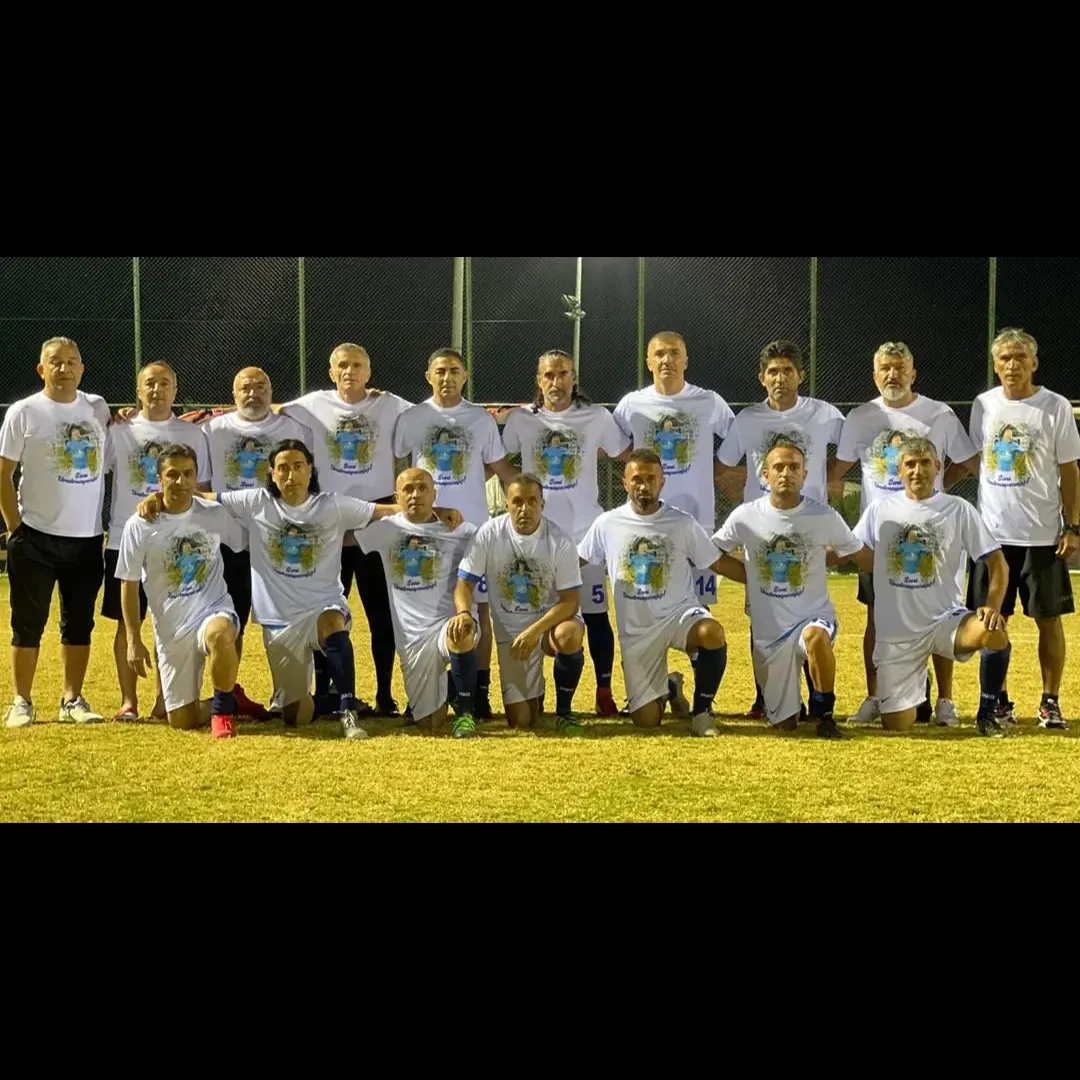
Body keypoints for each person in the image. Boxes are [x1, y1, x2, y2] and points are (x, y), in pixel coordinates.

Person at [138, 440, 463, 738]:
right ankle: (319, 701)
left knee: (333, 621)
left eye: (298, 466)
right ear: (272, 473)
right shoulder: (255, 502)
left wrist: (438, 510)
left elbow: (387, 510)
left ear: (310, 470)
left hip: (322, 607)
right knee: (296, 715)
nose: (291, 474)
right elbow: (202, 496)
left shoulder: (332, 505)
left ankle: (348, 713)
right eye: (283, 468)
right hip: (279, 623)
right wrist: (158, 498)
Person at [827, 341, 980, 727]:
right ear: (874, 376)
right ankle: (876, 696)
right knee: (876, 617)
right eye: (885, 368)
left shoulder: (939, 415)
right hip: (880, 538)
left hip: (934, 535)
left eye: (899, 368)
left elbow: (967, 462)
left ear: (913, 373)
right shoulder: (861, 417)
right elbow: (835, 472)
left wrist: (939, 491)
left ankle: (945, 700)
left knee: (943, 613)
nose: (892, 375)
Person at [844, 436, 1010, 736]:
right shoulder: (880, 509)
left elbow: (997, 563)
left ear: (938, 467)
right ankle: (918, 686)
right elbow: (854, 551)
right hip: (898, 635)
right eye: (909, 464)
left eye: (924, 463)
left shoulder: (958, 509)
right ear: (898, 470)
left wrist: (993, 606)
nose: (917, 471)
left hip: (945, 622)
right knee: (897, 724)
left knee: (993, 630)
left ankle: (987, 714)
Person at [282, 344, 413, 717]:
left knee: (380, 613)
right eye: (342, 365)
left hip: (377, 518)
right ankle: (325, 692)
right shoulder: (313, 404)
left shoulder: (390, 404)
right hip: (330, 521)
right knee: (324, 609)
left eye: (357, 365)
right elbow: (272, 411)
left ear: (369, 373)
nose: (350, 371)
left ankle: (385, 693)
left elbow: (429, 414)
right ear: (331, 371)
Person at [501, 348, 629, 716]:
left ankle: (604, 690)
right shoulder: (522, 421)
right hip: (536, 539)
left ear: (574, 379)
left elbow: (626, 455)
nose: (555, 381)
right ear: (538, 381)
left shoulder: (596, 417)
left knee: (595, 614)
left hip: (585, 536)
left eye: (562, 374)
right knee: (532, 613)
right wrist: (517, 487)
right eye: (548, 375)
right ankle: (533, 691)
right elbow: (496, 460)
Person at [392, 347, 519, 719]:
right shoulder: (412, 418)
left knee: (478, 610)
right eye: (440, 371)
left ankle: (478, 692)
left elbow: (499, 467)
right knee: (426, 610)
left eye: (454, 371)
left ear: (465, 376)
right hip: (425, 531)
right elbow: (397, 466)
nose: (447, 377)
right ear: (428, 376)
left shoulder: (480, 420)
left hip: (471, 532)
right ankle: (424, 692)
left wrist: (535, 494)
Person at [967, 328, 1080, 729]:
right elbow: (974, 460)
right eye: (1004, 359)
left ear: (1034, 363)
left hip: (1042, 536)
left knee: (1049, 620)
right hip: (992, 537)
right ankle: (998, 700)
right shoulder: (983, 405)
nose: (1012, 365)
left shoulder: (1054, 406)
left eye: (1019, 358)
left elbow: (1069, 471)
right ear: (995, 365)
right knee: (991, 619)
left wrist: (1072, 526)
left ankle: (1050, 701)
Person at [712, 442, 861, 739]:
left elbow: (852, 550)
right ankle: (787, 707)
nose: (786, 473)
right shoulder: (745, 516)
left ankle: (824, 714)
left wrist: (818, 559)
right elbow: (713, 554)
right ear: (765, 475)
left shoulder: (823, 516)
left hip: (812, 615)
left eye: (794, 467)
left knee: (815, 636)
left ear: (805, 475)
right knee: (785, 724)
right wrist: (751, 576)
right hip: (771, 632)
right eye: (778, 467)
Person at [578, 450, 729, 736]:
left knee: (711, 632)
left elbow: (716, 561)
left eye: (651, 478)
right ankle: (670, 688)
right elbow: (579, 560)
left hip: (678, 614)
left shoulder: (682, 523)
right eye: (637, 479)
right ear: (625, 483)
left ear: (662, 482)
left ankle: (702, 712)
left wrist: (755, 577)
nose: (643, 485)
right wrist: (546, 574)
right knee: (646, 721)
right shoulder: (607, 523)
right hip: (638, 632)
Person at [0, 337, 110, 727]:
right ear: (41, 369)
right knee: (27, 623)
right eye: (55, 362)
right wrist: (15, 528)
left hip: (87, 539)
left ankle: (72, 699)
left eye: (72, 362)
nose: (64, 369)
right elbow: (3, 473)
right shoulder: (24, 411)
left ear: (82, 369)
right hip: (34, 537)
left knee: (79, 623)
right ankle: (21, 702)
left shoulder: (98, 408)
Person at [200, 367, 312, 719]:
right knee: (230, 619)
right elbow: (203, 485)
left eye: (261, 386)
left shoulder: (293, 429)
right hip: (229, 541)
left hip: (278, 539)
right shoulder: (213, 430)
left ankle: (287, 692)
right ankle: (226, 692)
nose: (253, 392)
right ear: (233, 395)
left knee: (284, 618)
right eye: (245, 387)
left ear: (271, 392)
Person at [102, 361, 210, 721]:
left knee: (174, 621)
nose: (157, 389)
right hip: (125, 537)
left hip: (177, 543)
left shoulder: (192, 434)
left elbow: (202, 490)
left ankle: (167, 698)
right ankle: (128, 701)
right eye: (150, 383)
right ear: (138, 390)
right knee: (127, 622)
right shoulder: (118, 430)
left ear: (175, 391)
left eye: (165, 383)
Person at [115, 444, 243, 737]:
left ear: (196, 476)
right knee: (182, 720)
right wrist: (133, 639)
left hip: (213, 609)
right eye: (172, 474)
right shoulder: (140, 525)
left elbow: (246, 537)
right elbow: (128, 584)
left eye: (188, 474)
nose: (180, 481)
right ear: (159, 478)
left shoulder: (214, 514)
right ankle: (231, 700)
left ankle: (222, 712)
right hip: (173, 629)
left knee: (221, 633)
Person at [456, 474, 586, 734]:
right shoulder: (488, 534)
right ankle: (535, 693)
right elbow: (464, 584)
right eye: (517, 502)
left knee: (569, 634)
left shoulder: (560, 540)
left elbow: (570, 602)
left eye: (531, 501)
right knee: (521, 721)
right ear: (507, 504)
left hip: (548, 627)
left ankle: (564, 712)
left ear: (542, 504)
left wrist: (535, 631)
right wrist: (463, 612)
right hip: (511, 633)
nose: (524, 508)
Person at [612, 331, 734, 606]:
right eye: (659, 354)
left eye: (674, 353)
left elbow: (736, 441)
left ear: (685, 360)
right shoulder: (632, 404)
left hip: (697, 518)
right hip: (647, 518)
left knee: (699, 604)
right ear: (649, 362)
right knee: (648, 598)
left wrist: (714, 470)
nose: (667, 359)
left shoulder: (709, 401)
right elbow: (612, 443)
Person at [359, 468, 480, 738]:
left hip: (449, 623)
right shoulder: (385, 529)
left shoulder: (459, 530)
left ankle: (466, 715)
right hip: (412, 639)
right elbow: (342, 533)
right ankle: (451, 687)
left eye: (423, 488)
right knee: (429, 723)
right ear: (397, 497)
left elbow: (486, 552)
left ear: (434, 494)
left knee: (460, 632)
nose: (416, 495)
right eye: (408, 490)